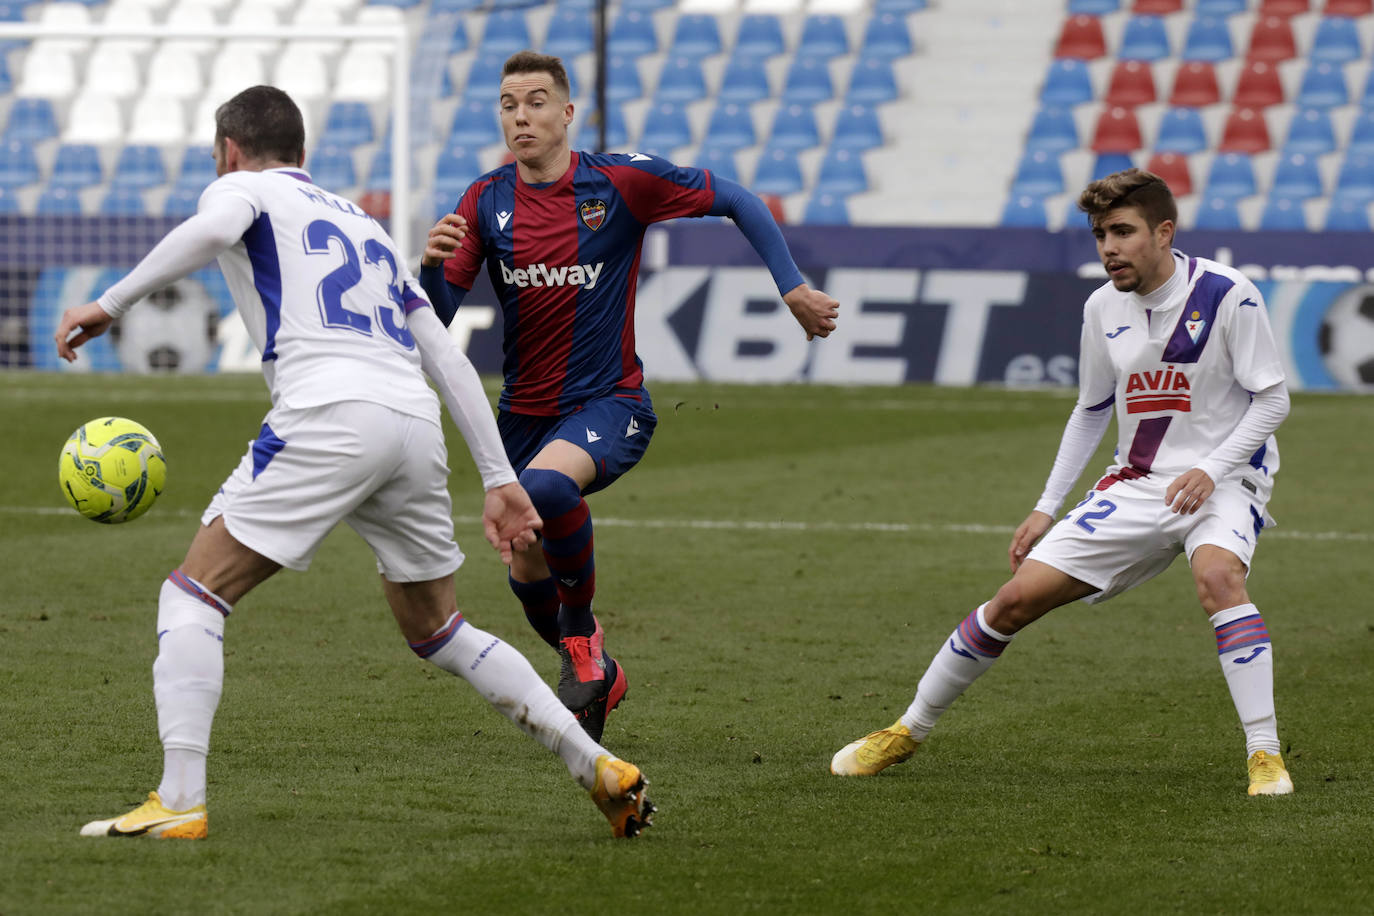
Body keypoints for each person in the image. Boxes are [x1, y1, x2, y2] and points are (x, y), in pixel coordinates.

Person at [55, 85, 653, 840]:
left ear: (230, 150)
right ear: (303, 153)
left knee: (193, 597)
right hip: (410, 420)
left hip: (328, 411)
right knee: (441, 628)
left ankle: (178, 799)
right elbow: (443, 352)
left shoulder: (241, 189)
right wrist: (499, 478)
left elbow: (211, 230)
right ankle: (595, 762)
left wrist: (111, 303)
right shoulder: (362, 225)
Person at [830, 168, 1295, 797]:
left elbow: (1272, 400)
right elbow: (1091, 408)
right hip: (1136, 483)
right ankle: (907, 730)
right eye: (1100, 233)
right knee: (1013, 601)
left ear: (1164, 231)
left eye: (1123, 231)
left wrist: (1210, 470)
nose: (1108, 247)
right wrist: (1047, 506)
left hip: (1227, 475)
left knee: (1219, 579)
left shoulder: (1229, 293)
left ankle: (1265, 755)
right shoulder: (1102, 306)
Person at [419, 51, 840, 740]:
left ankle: (582, 641)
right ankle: (593, 668)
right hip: (519, 417)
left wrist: (791, 285)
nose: (519, 116)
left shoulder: (620, 182)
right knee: (524, 558)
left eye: (534, 101)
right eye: (506, 104)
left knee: (547, 491)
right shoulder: (484, 201)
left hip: (611, 405)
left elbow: (735, 198)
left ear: (566, 113)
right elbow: (436, 319)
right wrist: (432, 267)